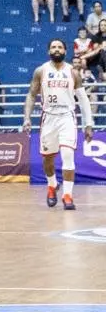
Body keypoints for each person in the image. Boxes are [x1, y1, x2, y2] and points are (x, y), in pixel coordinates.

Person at [24, 38, 94, 210]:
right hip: (48, 118)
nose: (57, 50)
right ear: (49, 51)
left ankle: (67, 195)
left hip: (67, 117)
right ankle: (52, 185)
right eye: (53, 47)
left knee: (68, 156)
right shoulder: (41, 71)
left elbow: (83, 100)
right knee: (48, 159)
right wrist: (27, 118)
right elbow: (32, 95)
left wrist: (89, 124)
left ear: (65, 51)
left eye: (60, 47)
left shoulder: (73, 72)